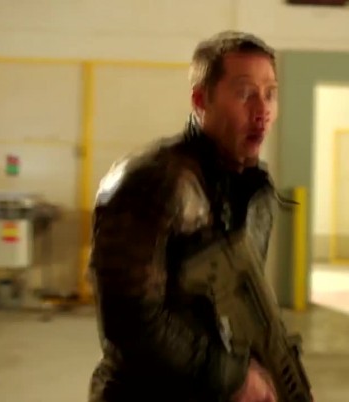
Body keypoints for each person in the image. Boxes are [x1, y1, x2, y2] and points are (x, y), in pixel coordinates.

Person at [88, 31, 284, 402]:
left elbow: (242, 307)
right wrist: (233, 377)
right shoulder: (151, 182)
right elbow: (129, 323)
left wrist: (266, 373)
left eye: (270, 93)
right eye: (245, 93)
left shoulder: (254, 191)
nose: (262, 110)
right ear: (200, 100)